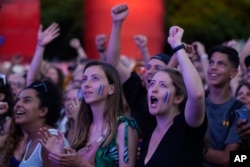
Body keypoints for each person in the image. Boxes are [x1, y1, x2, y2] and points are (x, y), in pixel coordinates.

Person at [38, 60, 140, 167]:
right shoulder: (83, 127)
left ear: (111, 89)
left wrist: (81, 164)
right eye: (84, 79)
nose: (87, 84)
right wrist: (59, 155)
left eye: (95, 78)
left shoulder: (124, 127)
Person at [135, 26, 207, 167]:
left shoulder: (186, 127)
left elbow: (197, 94)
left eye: (162, 85)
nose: (153, 89)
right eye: (153, 84)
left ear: (178, 98)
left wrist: (177, 46)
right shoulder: (149, 133)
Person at [105, 3, 175, 139]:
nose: (150, 72)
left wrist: (179, 53)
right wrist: (117, 24)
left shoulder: (179, 101)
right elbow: (113, 63)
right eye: (148, 68)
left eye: (158, 68)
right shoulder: (138, 92)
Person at [204, 45, 244, 167]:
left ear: (233, 73)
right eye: (211, 63)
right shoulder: (196, 101)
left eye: (221, 64)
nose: (213, 68)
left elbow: (228, 159)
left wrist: (192, 148)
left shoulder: (240, 110)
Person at [15, 80, 69, 167]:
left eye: (26, 100)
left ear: (43, 111)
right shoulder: (32, 140)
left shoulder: (50, 139)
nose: (18, 104)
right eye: (18, 100)